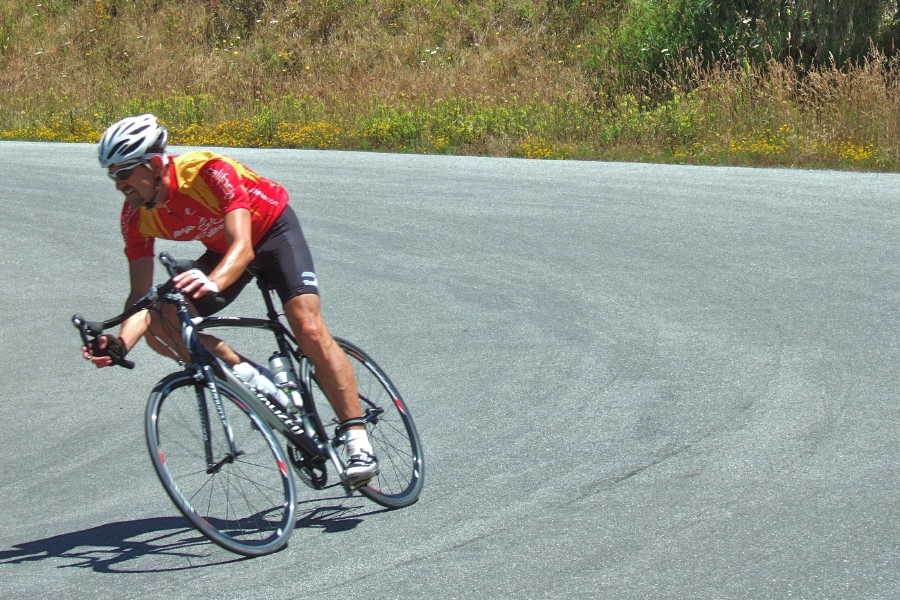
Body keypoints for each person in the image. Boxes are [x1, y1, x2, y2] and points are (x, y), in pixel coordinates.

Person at [81, 113, 378, 487]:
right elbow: (142, 295)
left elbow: (243, 246)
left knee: (307, 326)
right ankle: (256, 381)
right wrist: (121, 342)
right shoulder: (135, 216)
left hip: (271, 232)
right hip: (222, 252)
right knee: (163, 322)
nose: (118, 183)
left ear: (155, 164)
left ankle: (356, 438)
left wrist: (213, 281)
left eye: (124, 172)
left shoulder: (208, 171)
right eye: (112, 175)